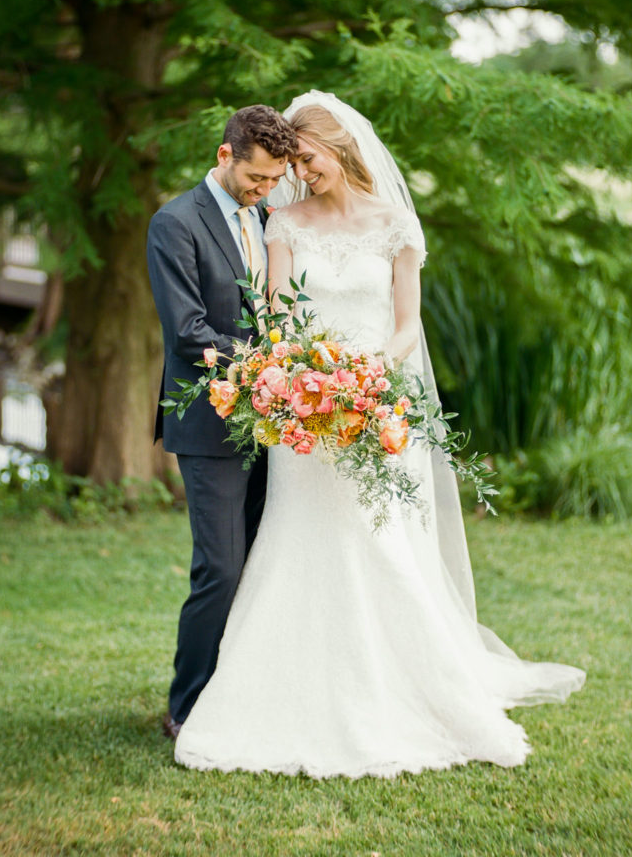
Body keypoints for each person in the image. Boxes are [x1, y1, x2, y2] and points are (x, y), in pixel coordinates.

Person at [172, 91, 585, 776]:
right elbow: (275, 320)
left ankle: (411, 687)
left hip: (373, 405)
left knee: (381, 545)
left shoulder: (396, 225)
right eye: (291, 163)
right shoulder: (283, 224)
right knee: (292, 543)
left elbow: (403, 325)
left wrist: (368, 377)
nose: (301, 173)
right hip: (304, 419)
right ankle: (272, 691)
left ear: (341, 149)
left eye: (308, 159)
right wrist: (302, 380)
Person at [146, 104, 298, 739]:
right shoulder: (174, 223)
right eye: (257, 179)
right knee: (221, 567)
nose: (266, 192)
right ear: (224, 155)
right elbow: (187, 333)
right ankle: (186, 705)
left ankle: (244, 692)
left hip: (275, 420)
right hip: (209, 421)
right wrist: (275, 361)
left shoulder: (268, 220)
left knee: (267, 559)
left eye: (274, 182)